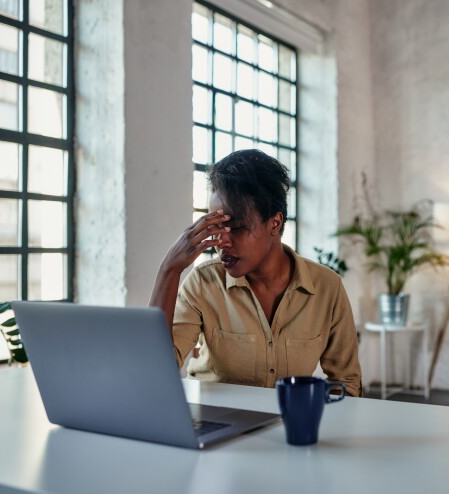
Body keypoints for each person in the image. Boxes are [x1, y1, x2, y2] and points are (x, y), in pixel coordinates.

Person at [149, 149, 362, 397]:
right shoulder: (204, 283)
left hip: (288, 429)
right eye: (216, 227)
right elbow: (154, 370)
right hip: (214, 423)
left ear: (275, 222)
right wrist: (169, 270)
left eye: (236, 228)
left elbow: (346, 383)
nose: (221, 241)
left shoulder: (326, 287)